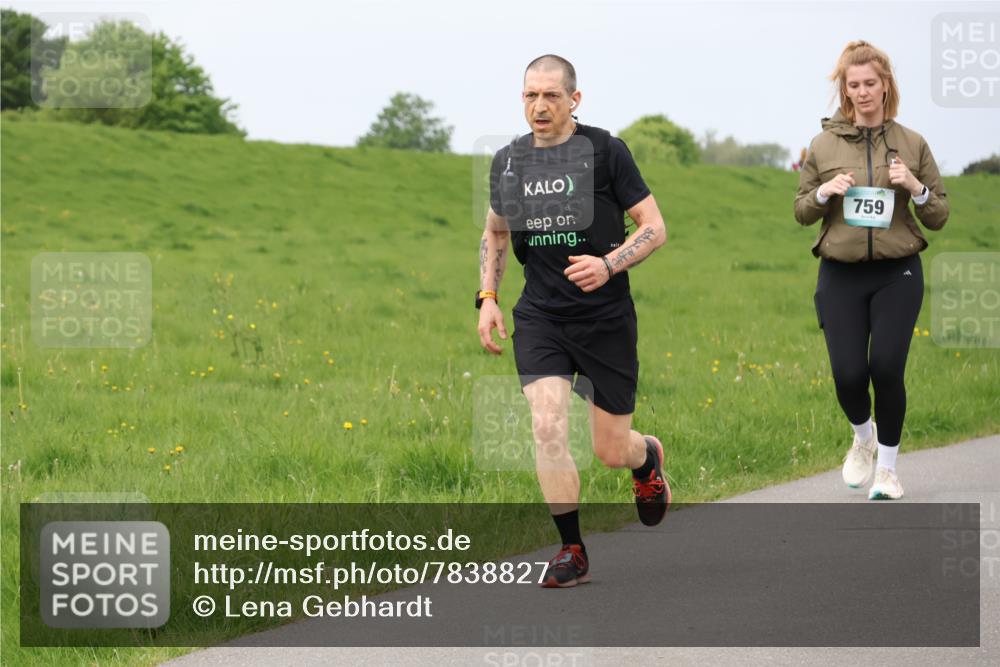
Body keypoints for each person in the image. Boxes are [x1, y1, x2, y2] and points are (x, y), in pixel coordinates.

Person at [476, 54, 669, 587]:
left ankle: (645, 456)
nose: (539, 106)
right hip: (541, 315)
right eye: (530, 96)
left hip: (605, 319)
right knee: (546, 423)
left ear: (574, 100)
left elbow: (653, 227)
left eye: (551, 96)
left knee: (611, 450)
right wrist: (488, 297)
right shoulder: (509, 162)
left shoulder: (606, 152)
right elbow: (495, 232)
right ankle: (572, 550)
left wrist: (609, 265)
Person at [794, 40, 949, 500]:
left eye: (870, 84)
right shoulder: (822, 145)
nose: (862, 92)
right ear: (844, 90)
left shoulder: (912, 143)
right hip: (840, 274)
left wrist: (916, 187)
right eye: (854, 85)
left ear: (885, 86)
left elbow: (939, 214)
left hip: (897, 272)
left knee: (885, 366)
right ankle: (863, 436)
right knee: (847, 374)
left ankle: (888, 470)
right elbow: (801, 211)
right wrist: (825, 193)